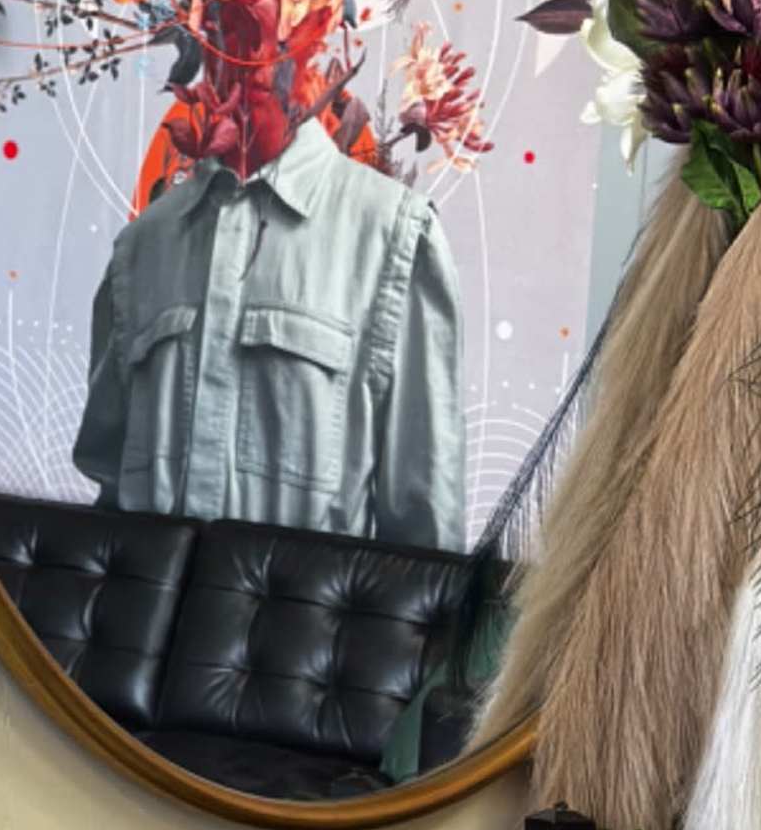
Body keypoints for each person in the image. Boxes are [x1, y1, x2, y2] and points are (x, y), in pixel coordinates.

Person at [69, 110, 466, 552]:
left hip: (304, 613)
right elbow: (108, 483)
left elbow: (425, 534)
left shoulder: (393, 231)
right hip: (142, 612)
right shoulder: (143, 243)